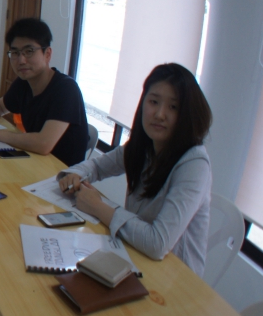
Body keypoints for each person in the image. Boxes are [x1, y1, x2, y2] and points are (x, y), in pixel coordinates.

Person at [57, 63, 213, 276]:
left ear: (188, 114)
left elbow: (158, 243)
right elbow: (97, 166)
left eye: (173, 107)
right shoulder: (145, 145)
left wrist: (98, 206)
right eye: (154, 102)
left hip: (174, 278)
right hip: (134, 256)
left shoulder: (195, 165)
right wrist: (75, 175)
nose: (159, 114)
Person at [0, 18, 89, 166]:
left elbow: (44, 144)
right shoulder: (24, 83)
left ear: (47, 54)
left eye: (29, 51)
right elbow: (1, 106)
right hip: (34, 161)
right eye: (15, 52)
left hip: (61, 173)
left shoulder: (66, 89)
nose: (21, 60)